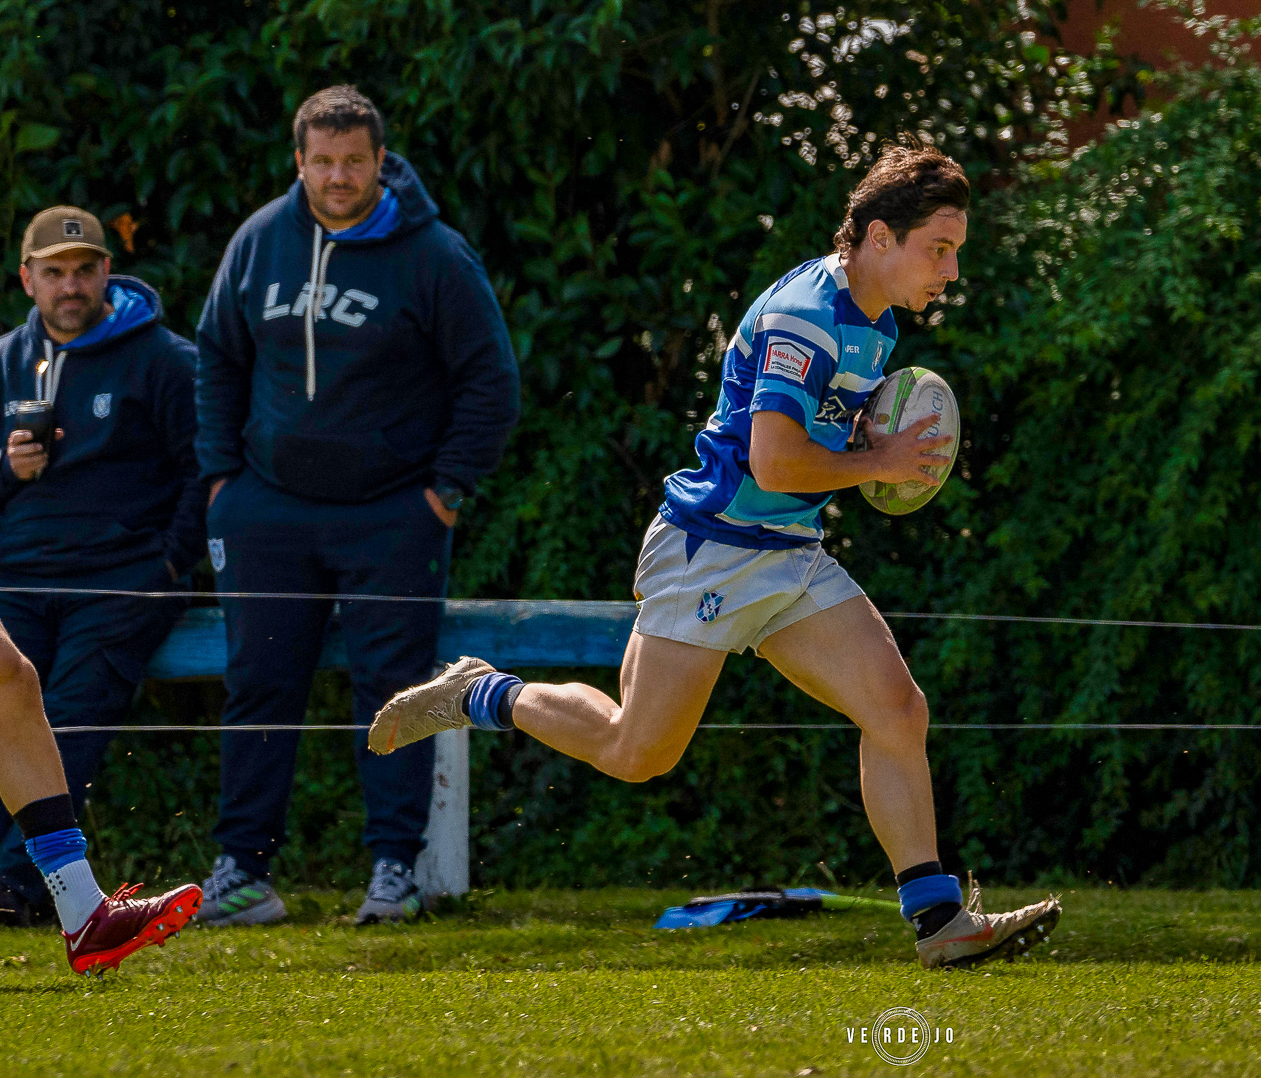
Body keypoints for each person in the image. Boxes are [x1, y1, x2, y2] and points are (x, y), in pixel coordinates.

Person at [371, 139, 1060, 968]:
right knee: (637, 752)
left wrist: (871, 451)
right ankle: (483, 692)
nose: (950, 270)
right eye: (938, 249)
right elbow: (774, 461)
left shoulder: (874, 318)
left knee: (898, 709)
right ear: (880, 237)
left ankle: (937, 922)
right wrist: (876, 463)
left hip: (788, 549)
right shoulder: (807, 315)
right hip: (711, 551)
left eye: (956, 251)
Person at [195, 86, 520, 926]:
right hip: (265, 509)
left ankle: (393, 872)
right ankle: (242, 875)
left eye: (354, 161)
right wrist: (221, 483)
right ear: (297, 160)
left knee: (395, 693)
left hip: (392, 515)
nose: (338, 177)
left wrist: (442, 495)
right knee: (259, 685)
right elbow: (217, 360)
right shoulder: (260, 240)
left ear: (381, 161)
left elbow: (490, 382)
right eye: (323, 161)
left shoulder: (435, 254)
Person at [0, 207, 206, 927]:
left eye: (84, 270)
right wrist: (7, 466)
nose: (70, 286)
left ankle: (22, 888)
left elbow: (204, 471)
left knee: (70, 718)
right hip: (16, 574)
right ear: (27, 279)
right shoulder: (3, 359)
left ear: (107, 273)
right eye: (54, 272)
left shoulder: (165, 360)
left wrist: (169, 564)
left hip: (119, 581)